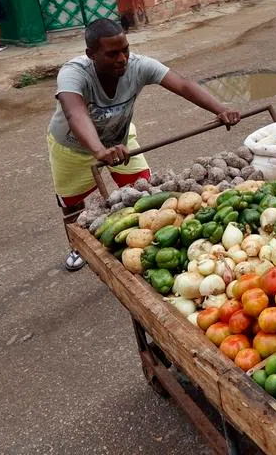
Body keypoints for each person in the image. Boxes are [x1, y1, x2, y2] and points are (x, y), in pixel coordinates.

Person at [48, 18, 242, 271]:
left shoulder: (139, 66)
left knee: (144, 192)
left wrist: (221, 109)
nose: (122, 59)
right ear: (91, 54)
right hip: (73, 147)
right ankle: (77, 246)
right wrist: (99, 151)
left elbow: (183, 85)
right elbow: (76, 114)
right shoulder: (74, 73)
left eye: (125, 49)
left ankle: (141, 244)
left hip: (121, 143)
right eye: (112, 54)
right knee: (72, 205)